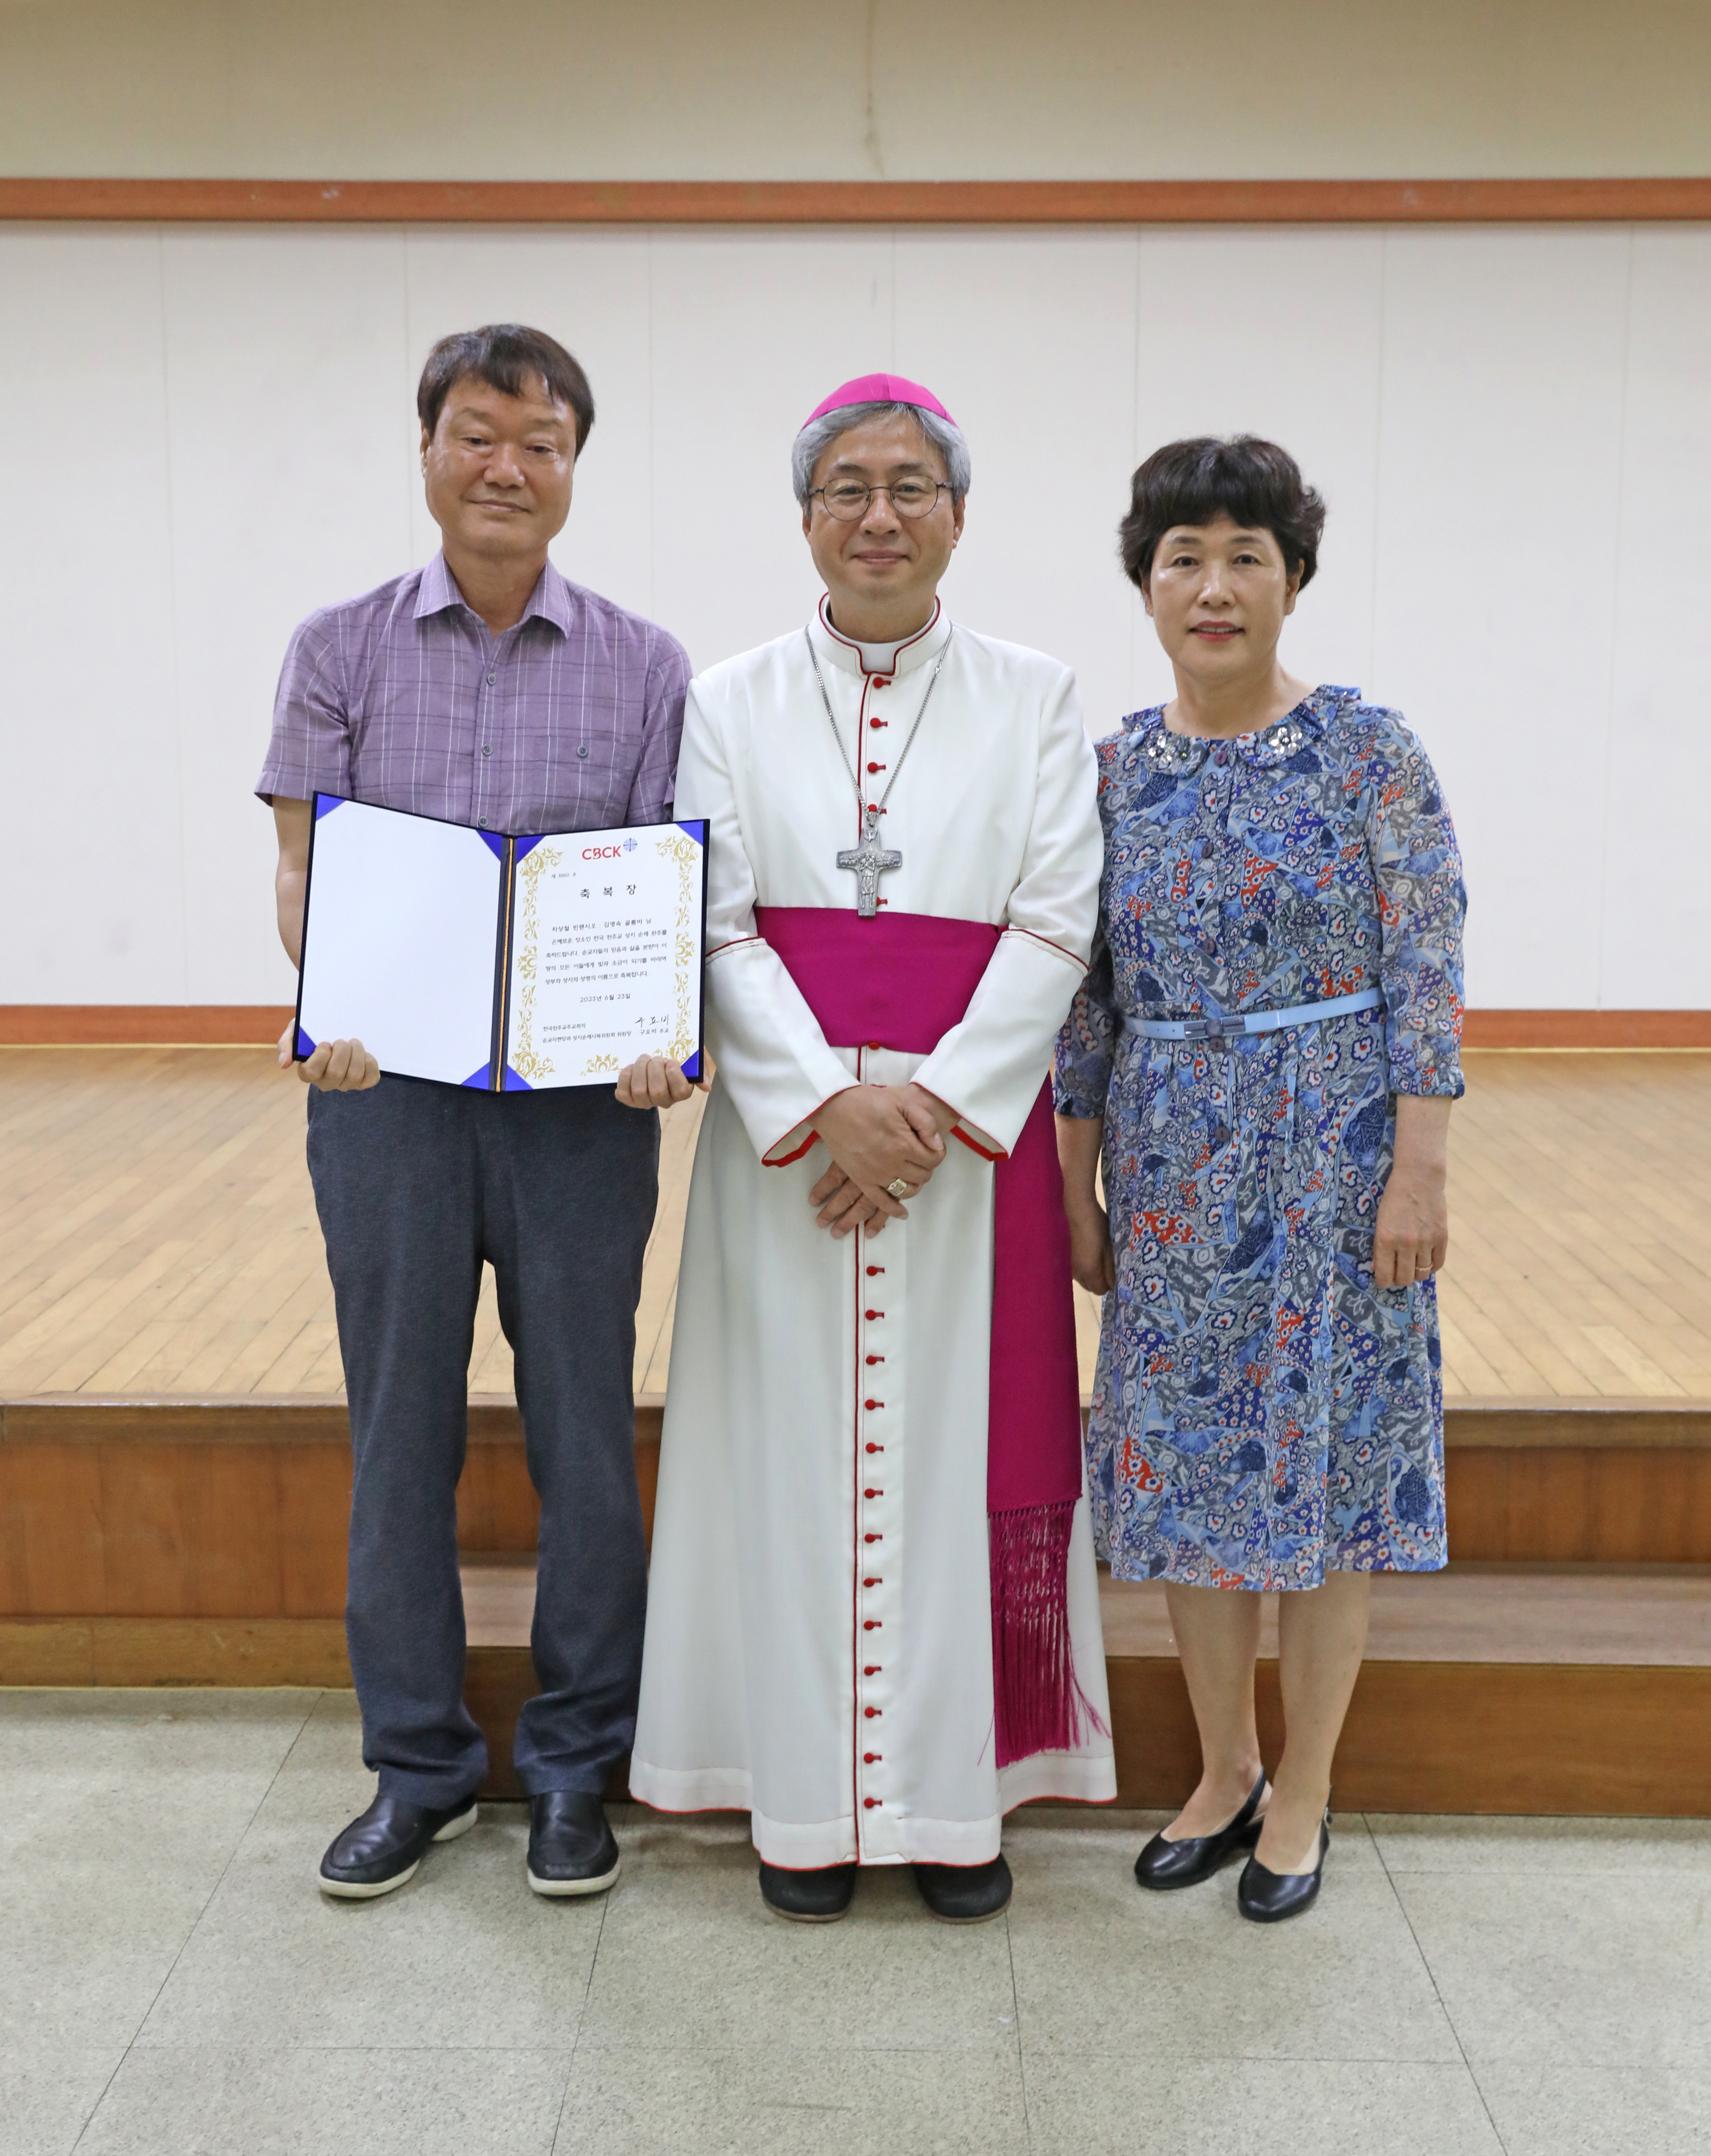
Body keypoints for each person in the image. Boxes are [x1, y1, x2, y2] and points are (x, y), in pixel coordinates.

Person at [621, 372, 1116, 1923]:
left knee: (961, 1457)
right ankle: (803, 1812)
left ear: (957, 514)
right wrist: (826, 1102)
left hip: (965, 1159)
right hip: (794, 1159)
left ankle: (951, 1810)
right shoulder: (727, 697)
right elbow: (710, 918)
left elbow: (1055, 920)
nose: (880, 514)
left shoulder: (1035, 693)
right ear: (807, 516)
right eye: (849, 485)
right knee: (784, 1461)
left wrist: (929, 1108)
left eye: (911, 485)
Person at [259, 324, 690, 1901]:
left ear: (575, 466)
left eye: (541, 441)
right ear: (429, 449)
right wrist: (333, 1004)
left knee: (584, 1439)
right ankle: (420, 1766)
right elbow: (305, 870)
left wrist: (655, 1037)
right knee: (400, 1437)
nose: (506, 466)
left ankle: (579, 1766)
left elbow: (656, 891)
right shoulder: (339, 647)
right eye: (476, 433)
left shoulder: (646, 665)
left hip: (584, 1113)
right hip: (388, 1107)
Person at [1054, 436, 1465, 1923]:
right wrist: (1074, 1183)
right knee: (1184, 1472)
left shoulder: (1369, 752)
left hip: (1340, 1154)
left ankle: (1308, 1785)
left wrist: (1418, 1174)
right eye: (1183, 559)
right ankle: (1224, 1766)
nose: (1214, 587)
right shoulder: (1106, 775)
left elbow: (1428, 973)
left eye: (1245, 556)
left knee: (1331, 1477)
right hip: (1173, 1159)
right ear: (1146, 586)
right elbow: (1085, 1001)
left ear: (1293, 578)